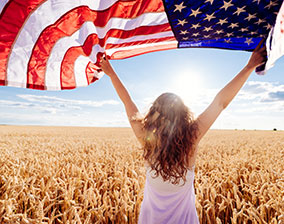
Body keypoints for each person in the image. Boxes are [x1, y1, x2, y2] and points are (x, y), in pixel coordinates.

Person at [99, 40, 267, 224]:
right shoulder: (192, 137)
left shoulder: (145, 137)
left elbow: (127, 101)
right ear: (182, 115)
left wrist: (111, 73)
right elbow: (220, 102)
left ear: (154, 113)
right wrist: (249, 67)